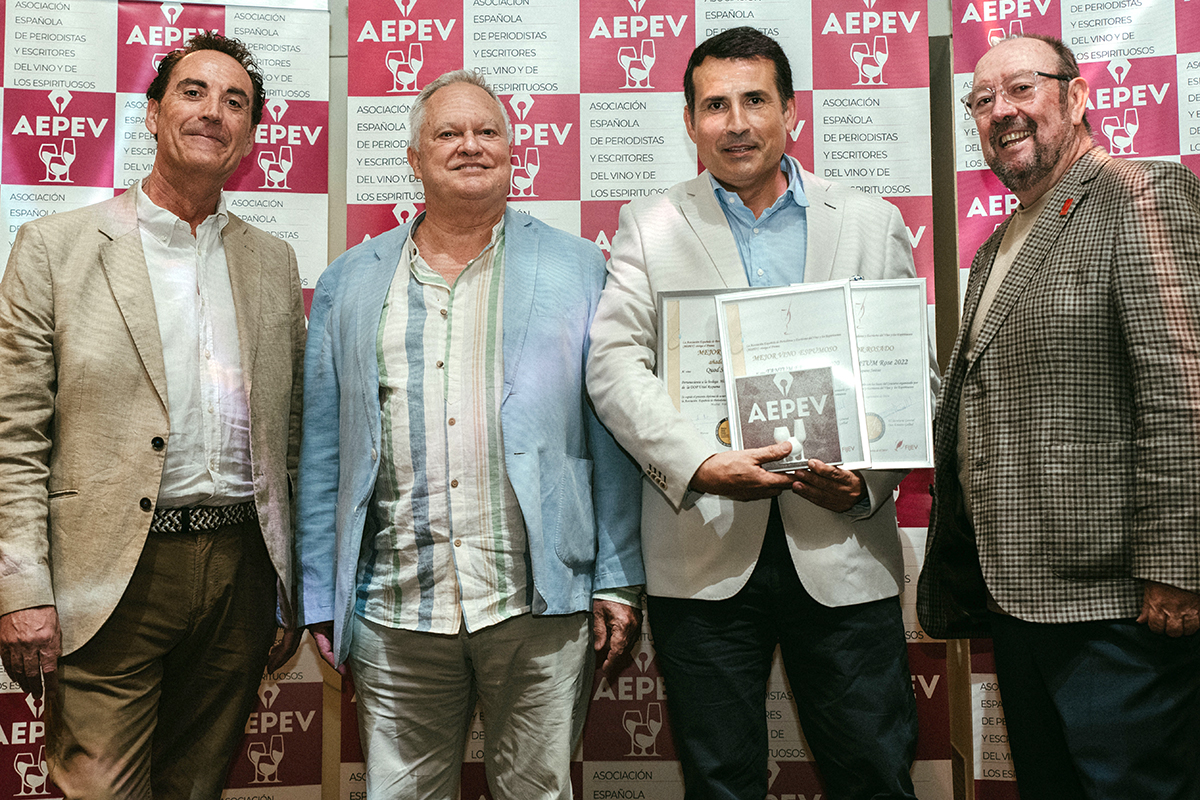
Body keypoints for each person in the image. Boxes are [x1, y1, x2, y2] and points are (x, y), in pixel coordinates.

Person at [586, 27, 936, 800]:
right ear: (689, 122)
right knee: (720, 782)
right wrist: (700, 464)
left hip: (844, 549)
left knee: (875, 775)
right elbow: (612, 366)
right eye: (715, 105)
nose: (736, 123)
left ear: (791, 113)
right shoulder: (648, 224)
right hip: (703, 552)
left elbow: (910, 375)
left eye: (755, 100)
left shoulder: (869, 221)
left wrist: (867, 485)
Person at [296, 69, 644, 800]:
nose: (470, 146)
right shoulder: (348, 282)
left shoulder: (581, 267)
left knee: (538, 790)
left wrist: (616, 575)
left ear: (514, 153)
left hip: (539, 598)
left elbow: (611, 433)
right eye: (448, 133)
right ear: (414, 159)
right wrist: (321, 592)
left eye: (487, 132)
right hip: (396, 604)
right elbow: (324, 450)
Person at [0, 33, 305, 799]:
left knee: (196, 787)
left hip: (239, 571)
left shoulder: (273, 262)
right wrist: (21, 588)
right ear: (152, 112)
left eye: (235, 102)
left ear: (251, 135)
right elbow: (13, 436)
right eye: (193, 92)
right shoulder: (54, 249)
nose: (213, 112)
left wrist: (289, 584)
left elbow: (292, 435)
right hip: (108, 576)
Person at [917, 34, 1200, 799]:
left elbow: (1183, 392)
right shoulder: (996, 247)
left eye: (1021, 88)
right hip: (1019, 603)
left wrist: (1177, 572)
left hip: (1121, 611)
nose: (1000, 111)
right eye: (982, 100)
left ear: (1076, 97)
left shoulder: (1140, 193)